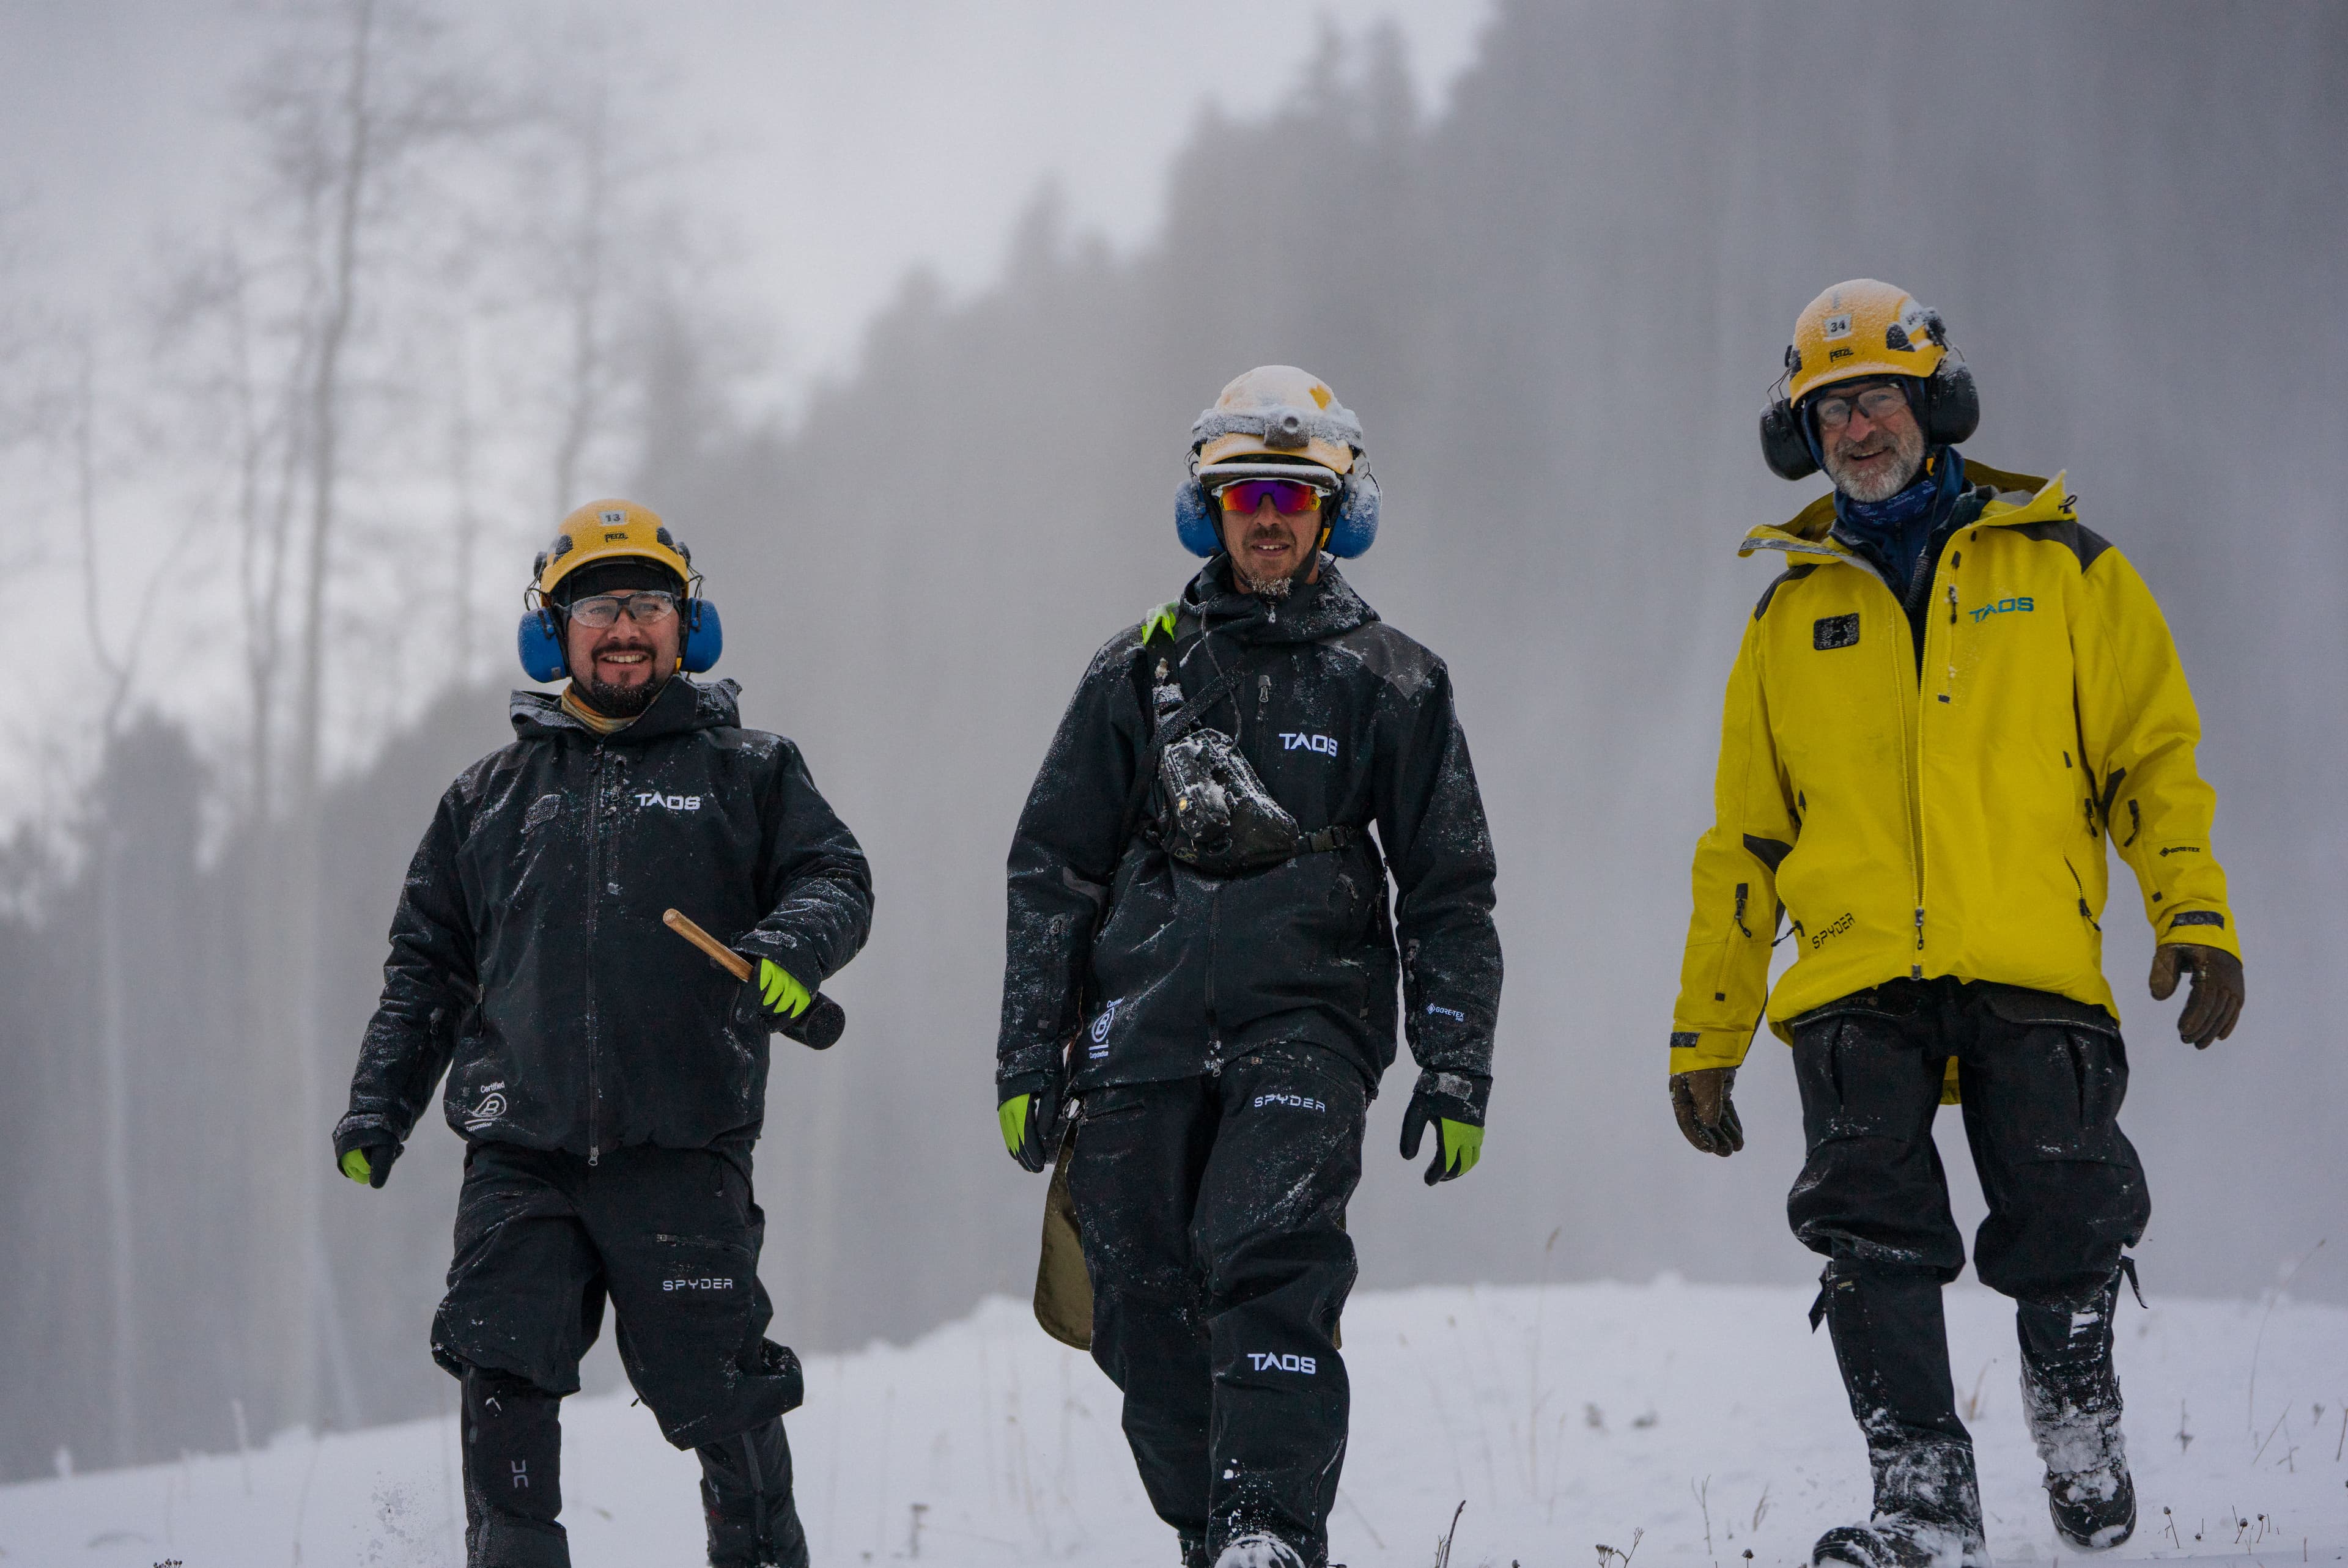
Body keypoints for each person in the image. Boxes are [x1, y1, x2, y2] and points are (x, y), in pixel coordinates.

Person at [1667, 281, 2245, 1566]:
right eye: (1827, 411)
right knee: (1867, 1234)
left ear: (1933, 403)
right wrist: (1708, 1031)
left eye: (1876, 397)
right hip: (1852, 978)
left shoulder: (2070, 569)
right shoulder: (1784, 616)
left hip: (2031, 960)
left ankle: (2077, 1417)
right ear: (1799, 434)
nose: (1856, 429)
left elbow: (2152, 761)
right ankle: (1921, 1500)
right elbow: (1745, 844)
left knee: (2069, 1214)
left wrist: (2192, 911)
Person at [995, 367, 1503, 1568]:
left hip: (1309, 1017)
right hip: (1141, 1028)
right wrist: (1029, 1051)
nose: (1268, 514)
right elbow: (1054, 869)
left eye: (1293, 491)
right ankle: (1208, 1527)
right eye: (1243, 493)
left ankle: (1270, 1528)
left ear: (1339, 508)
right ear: (1205, 509)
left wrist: (1457, 1060)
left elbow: (1448, 884)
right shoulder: (1134, 670)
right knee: (1138, 1290)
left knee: (1267, 1252)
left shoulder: (1397, 678)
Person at [332, 500, 872, 1568]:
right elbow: (426, 969)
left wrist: (788, 945)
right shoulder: (485, 799)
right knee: (503, 1370)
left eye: (649, 604)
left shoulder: (752, 771)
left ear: (690, 625)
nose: (624, 628)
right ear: (552, 630)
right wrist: (377, 1106)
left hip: (681, 1145)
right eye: (596, 606)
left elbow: (837, 877)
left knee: (725, 1393)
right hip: (519, 1152)